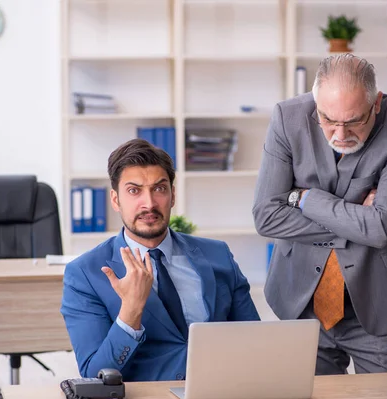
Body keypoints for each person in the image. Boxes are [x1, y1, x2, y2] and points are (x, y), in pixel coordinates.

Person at [252, 53, 387, 375]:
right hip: (302, 301)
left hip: (380, 302)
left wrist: (306, 198)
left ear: (376, 103)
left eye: (353, 121)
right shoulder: (287, 117)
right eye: (328, 120)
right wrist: (355, 216)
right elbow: (266, 216)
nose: (340, 134)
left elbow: (380, 228)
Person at [61, 139, 260, 381]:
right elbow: (96, 376)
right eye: (134, 190)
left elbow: (253, 341)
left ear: (172, 195)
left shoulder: (218, 255)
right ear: (115, 200)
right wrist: (131, 311)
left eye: (159, 188)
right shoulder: (84, 274)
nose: (149, 203)